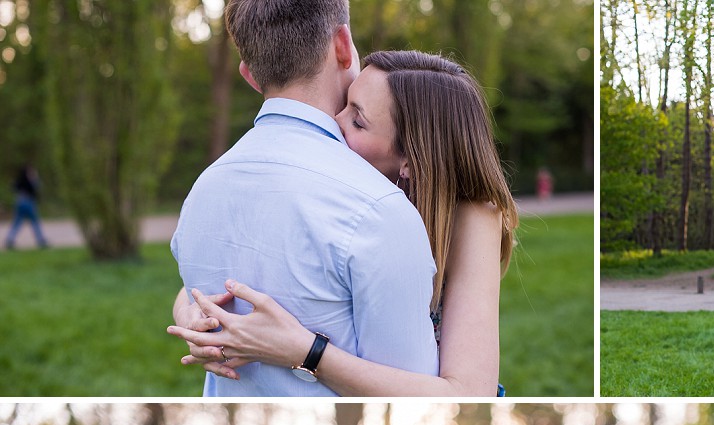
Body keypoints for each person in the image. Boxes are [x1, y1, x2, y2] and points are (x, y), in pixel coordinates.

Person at [170, 50, 518, 398]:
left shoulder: (473, 216)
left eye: (358, 120)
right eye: (345, 103)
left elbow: (471, 393)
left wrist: (305, 351)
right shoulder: (333, 188)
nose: (334, 120)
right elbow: (197, 289)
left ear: (413, 158)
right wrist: (191, 318)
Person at [169, 0, 438, 397]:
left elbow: (207, 286)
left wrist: (186, 312)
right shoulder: (377, 208)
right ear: (343, 45)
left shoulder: (201, 193)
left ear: (250, 76)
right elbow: (419, 397)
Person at [4, 164, 49, 250]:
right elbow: (37, 187)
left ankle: (10, 239)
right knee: (34, 222)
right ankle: (40, 240)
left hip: (20, 202)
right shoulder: (29, 180)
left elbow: (13, 187)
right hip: (28, 203)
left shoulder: (19, 180)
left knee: (17, 222)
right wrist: (34, 178)